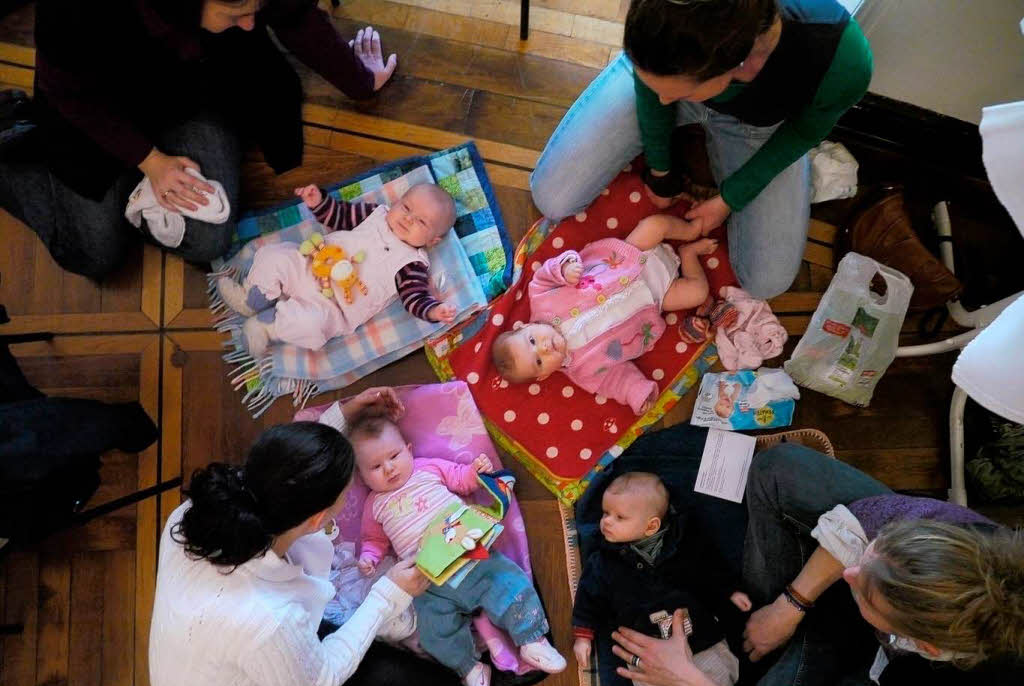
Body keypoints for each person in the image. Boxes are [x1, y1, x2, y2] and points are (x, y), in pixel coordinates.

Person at [609, 443, 1024, 686]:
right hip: (860, 631)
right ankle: (768, 632)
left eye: (865, 592)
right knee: (779, 470)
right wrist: (791, 604)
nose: (848, 574)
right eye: (871, 556)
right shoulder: (968, 538)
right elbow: (869, 518)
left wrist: (688, 682)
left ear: (923, 645)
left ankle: (772, 667)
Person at [148, 387, 469, 686]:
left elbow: (278, 468)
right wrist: (387, 594)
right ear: (319, 520)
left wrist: (344, 418)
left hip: (260, 670)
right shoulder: (266, 617)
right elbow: (318, 681)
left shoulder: (194, 514)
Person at [0, 0, 399, 279]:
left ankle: (133, 199)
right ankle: (17, 146)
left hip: (193, 92)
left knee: (208, 240)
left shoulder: (228, 29)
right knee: (94, 255)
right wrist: (150, 161)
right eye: (236, 13)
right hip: (92, 114)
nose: (249, 26)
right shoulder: (76, 13)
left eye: (254, 12)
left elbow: (294, 16)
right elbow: (72, 95)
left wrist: (360, 81)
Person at [529, 0, 873, 300]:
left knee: (768, 280)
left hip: (758, 122)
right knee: (553, 197)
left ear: (742, 65)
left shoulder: (842, 59)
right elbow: (653, 93)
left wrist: (729, 199)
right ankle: (671, 96)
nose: (664, 101)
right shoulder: (662, 57)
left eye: (675, 94)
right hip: (670, 73)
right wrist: (660, 169)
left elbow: (801, 134)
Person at [348, 413, 567, 686]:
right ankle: (469, 669)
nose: (388, 469)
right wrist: (369, 558)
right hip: (428, 581)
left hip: (470, 555)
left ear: (409, 449)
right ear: (362, 475)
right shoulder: (374, 505)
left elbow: (461, 479)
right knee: (432, 630)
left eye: (394, 456)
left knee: (508, 583)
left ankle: (531, 638)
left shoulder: (427, 468)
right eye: (375, 467)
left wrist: (476, 473)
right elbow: (374, 540)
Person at [572, 472, 751, 686]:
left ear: (651, 525)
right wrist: (583, 634)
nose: (605, 522)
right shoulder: (603, 562)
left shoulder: (684, 545)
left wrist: (729, 591)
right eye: (605, 513)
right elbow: (588, 597)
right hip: (648, 657)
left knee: (723, 682)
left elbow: (711, 568)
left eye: (619, 517)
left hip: (701, 640)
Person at [491, 214, 715, 414]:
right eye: (539, 361)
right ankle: (689, 254)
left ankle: (690, 231)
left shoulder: (540, 298)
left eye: (532, 340)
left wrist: (565, 268)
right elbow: (617, 380)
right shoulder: (584, 372)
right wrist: (637, 394)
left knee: (655, 225)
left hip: (629, 257)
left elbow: (544, 274)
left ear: (524, 327)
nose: (544, 347)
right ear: (544, 376)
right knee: (698, 292)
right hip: (657, 297)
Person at [215, 182, 458, 356]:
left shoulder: (412, 263)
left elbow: (414, 297)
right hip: (311, 265)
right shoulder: (375, 215)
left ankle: (266, 326)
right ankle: (252, 298)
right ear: (396, 203)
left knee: (310, 326)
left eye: (422, 221)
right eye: (406, 208)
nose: (408, 219)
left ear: (432, 240)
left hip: (333, 308)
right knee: (274, 256)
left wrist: (434, 310)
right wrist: (319, 203)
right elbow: (340, 215)